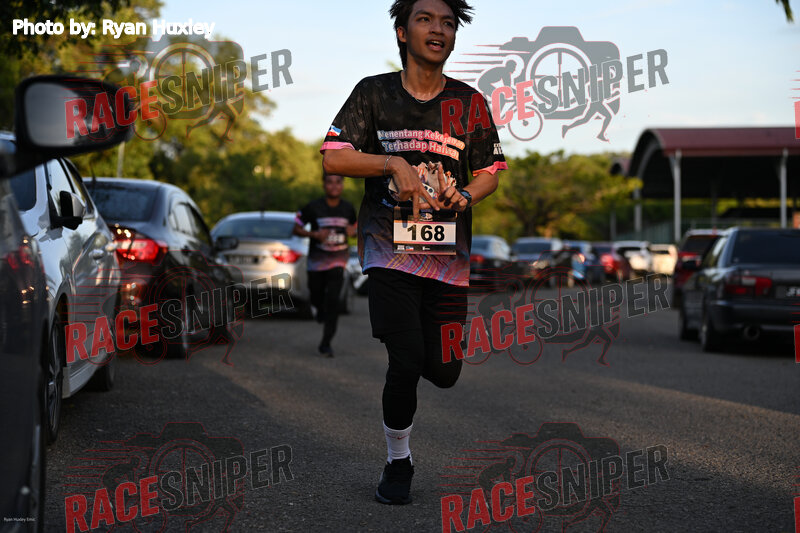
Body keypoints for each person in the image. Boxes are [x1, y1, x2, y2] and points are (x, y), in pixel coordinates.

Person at [320, 0, 507, 505]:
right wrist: (391, 164)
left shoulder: (469, 103)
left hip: (448, 261)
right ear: (403, 32)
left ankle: (421, 361)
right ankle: (398, 462)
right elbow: (334, 157)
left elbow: (490, 172)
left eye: (448, 23)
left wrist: (464, 195)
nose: (438, 29)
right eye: (426, 19)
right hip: (389, 252)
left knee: (442, 371)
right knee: (405, 361)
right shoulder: (373, 93)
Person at [293, 173, 357, 357]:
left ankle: (326, 343)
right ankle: (318, 309)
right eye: (330, 182)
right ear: (324, 185)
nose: (334, 186)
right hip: (316, 263)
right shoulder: (313, 207)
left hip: (338, 261)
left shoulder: (348, 208)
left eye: (338, 182)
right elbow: (296, 228)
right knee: (316, 295)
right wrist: (314, 235)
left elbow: (355, 227)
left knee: (333, 301)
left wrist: (353, 231)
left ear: (342, 185)